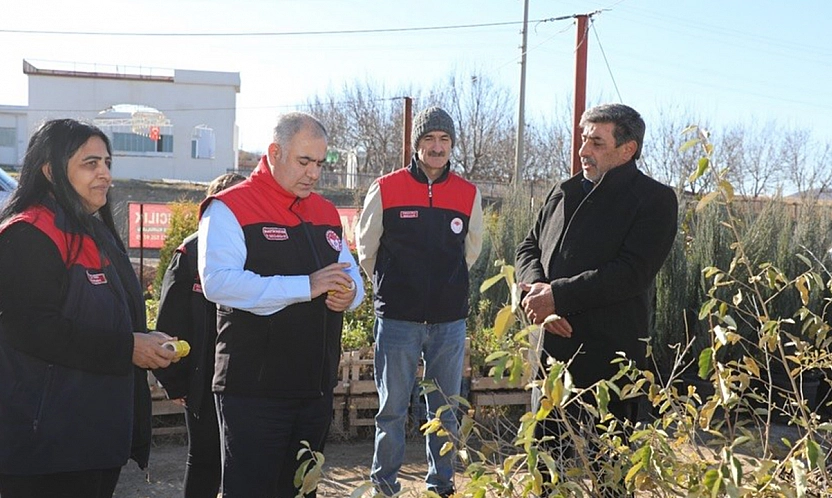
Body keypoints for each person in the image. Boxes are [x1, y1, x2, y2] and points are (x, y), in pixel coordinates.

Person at [0, 119, 177, 498]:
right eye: (90, 163)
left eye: (108, 163)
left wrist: (143, 338)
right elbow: (32, 328)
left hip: (94, 436)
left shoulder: (93, 231)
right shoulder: (28, 234)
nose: (105, 174)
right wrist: (127, 347)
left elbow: (110, 315)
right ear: (50, 170)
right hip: (44, 446)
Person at [198, 112, 364, 498]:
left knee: (300, 491)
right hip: (254, 390)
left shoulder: (324, 212)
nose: (313, 173)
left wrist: (349, 294)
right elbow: (217, 282)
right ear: (274, 152)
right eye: (304, 161)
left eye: (320, 164)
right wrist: (304, 286)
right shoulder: (229, 207)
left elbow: (351, 274)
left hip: (314, 387)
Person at [515, 103, 678, 496]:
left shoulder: (653, 201)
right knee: (545, 471)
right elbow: (527, 247)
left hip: (610, 363)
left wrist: (558, 297)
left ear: (627, 150)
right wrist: (539, 297)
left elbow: (631, 273)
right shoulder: (562, 190)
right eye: (583, 139)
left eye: (596, 142)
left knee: (610, 474)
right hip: (551, 356)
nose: (583, 150)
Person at [356, 106, 484, 497]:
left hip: (448, 322)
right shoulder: (387, 186)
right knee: (391, 409)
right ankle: (385, 485)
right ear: (417, 145)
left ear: (452, 146)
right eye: (429, 139)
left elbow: (471, 250)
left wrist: (442, 286)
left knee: (445, 410)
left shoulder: (467, 193)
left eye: (444, 140)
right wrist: (393, 286)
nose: (437, 146)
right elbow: (366, 247)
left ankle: (440, 486)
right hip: (397, 319)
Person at [152, 172, 245, 498]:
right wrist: (175, 381)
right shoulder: (188, 254)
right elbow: (169, 323)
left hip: (247, 381)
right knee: (205, 460)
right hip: (202, 382)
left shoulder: (258, 251)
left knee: (243, 465)